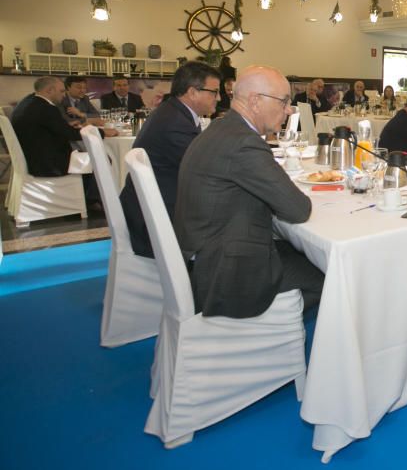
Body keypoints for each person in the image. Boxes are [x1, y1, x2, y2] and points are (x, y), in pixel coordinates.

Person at [174, 65, 324, 319]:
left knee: (296, 248)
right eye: (284, 101)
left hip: (204, 252)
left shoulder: (223, 128)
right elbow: (298, 209)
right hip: (224, 273)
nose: (289, 110)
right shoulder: (244, 142)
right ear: (255, 101)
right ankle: (274, 338)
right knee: (332, 271)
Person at [120, 61, 221, 259]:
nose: (219, 98)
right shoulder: (175, 122)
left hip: (153, 206)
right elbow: (207, 170)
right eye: (214, 92)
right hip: (157, 221)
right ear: (192, 92)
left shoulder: (174, 112)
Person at [10, 76, 117, 178]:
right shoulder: (46, 108)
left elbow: (53, 128)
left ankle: (85, 193)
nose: (64, 95)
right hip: (49, 164)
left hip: (34, 158)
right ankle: (92, 196)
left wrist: (66, 125)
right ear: (49, 90)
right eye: (61, 91)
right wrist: (102, 132)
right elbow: (70, 134)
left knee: (92, 156)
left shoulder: (28, 102)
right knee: (104, 159)